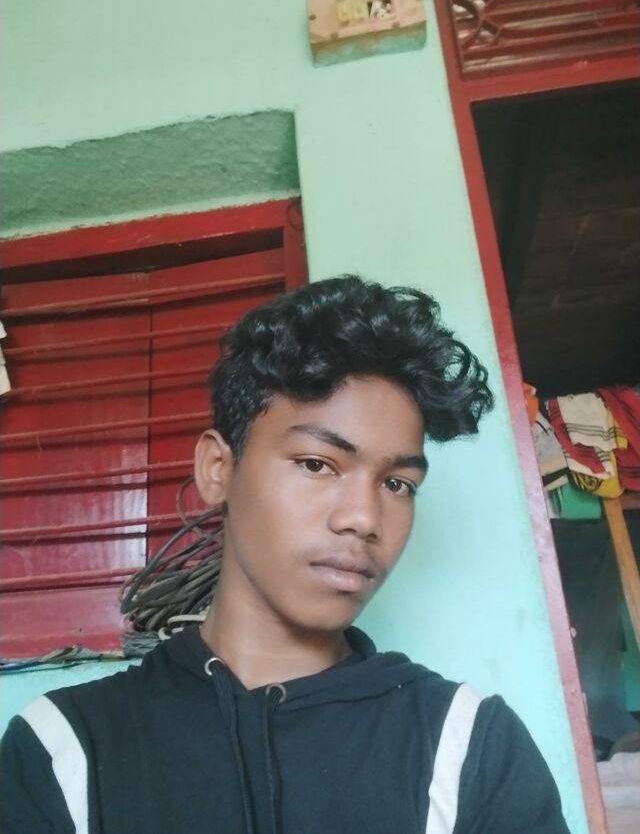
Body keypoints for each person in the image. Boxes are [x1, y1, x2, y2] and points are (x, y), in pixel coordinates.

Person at [0, 276, 570, 834]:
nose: (364, 518)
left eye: (397, 484)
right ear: (218, 469)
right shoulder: (62, 751)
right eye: (317, 464)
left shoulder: (469, 749)